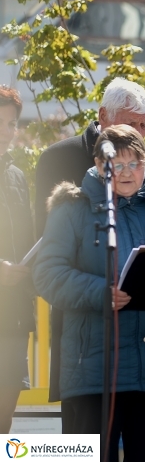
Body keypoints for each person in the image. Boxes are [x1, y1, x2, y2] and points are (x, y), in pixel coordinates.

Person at [33, 125, 145, 462]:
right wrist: (101, 291)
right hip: (94, 368)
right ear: (99, 166)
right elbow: (47, 273)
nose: (127, 173)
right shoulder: (72, 208)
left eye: (135, 163)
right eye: (117, 165)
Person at [34, 77, 145, 409]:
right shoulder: (59, 159)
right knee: (87, 444)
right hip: (85, 329)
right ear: (103, 116)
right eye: (129, 123)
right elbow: (45, 242)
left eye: (143, 125)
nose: (137, 134)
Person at [0, 86, 35, 434]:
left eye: (11, 124)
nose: (7, 132)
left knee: (4, 424)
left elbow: (26, 236)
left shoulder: (16, 176)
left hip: (13, 315)